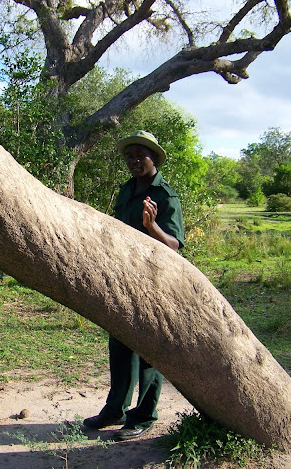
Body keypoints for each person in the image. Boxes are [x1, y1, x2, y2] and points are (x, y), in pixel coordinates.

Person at [84, 130, 184, 441]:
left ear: (154, 157)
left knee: (150, 352)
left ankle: (143, 416)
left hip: (153, 283)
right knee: (120, 347)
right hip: (123, 279)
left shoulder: (166, 196)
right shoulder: (126, 190)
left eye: (140, 154)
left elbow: (174, 246)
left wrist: (152, 226)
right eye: (129, 155)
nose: (134, 160)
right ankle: (115, 409)